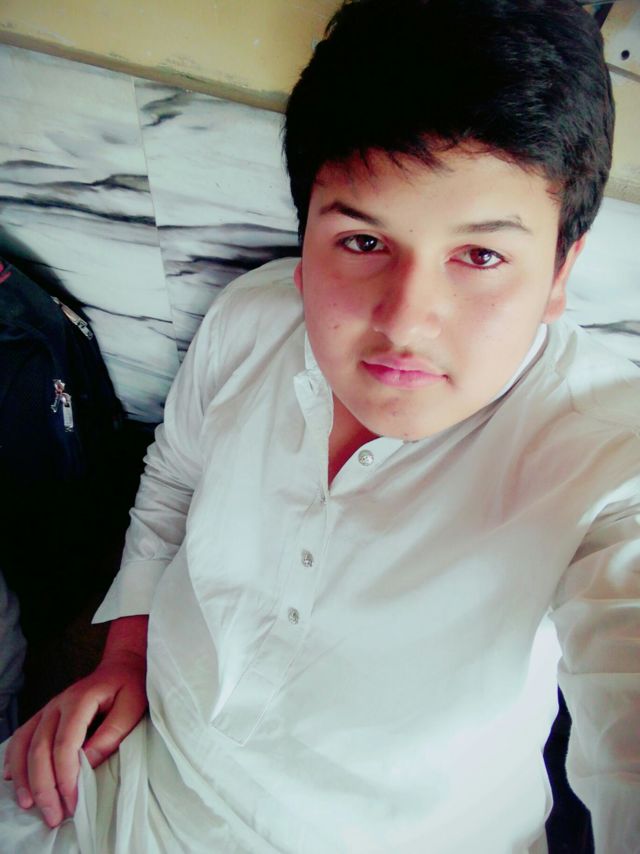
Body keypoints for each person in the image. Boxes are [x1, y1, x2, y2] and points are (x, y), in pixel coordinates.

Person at [1, 0, 638, 851]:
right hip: (125, 788)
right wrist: (124, 653)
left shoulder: (609, 449)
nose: (405, 322)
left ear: (559, 273)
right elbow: (173, 480)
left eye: (481, 256)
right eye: (363, 242)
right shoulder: (254, 317)